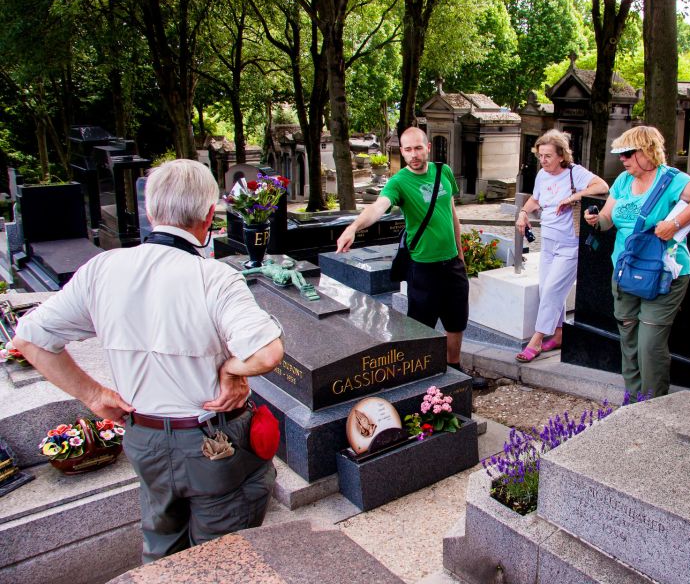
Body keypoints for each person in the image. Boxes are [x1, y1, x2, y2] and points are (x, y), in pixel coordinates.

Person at [12, 159, 284, 562]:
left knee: (161, 550)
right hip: (212, 442)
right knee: (222, 560)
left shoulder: (101, 270)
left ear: (151, 213)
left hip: (145, 439)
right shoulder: (213, 278)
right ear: (210, 216)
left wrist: (93, 394)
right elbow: (266, 353)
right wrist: (230, 367)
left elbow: (30, 340)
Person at [584, 126, 690, 399]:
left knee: (649, 345)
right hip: (625, 270)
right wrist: (596, 220)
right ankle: (633, 402)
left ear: (647, 151)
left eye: (628, 153)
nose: (622, 159)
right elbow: (608, 220)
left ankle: (652, 406)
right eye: (620, 154)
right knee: (629, 340)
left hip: (663, 272)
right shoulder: (623, 180)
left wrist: (675, 223)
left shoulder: (670, 180)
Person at [337, 127, 468, 371]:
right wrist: (354, 227)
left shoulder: (444, 171)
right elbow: (378, 207)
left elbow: (452, 215)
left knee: (456, 320)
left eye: (418, 148)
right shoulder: (398, 182)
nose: (414, 154)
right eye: (408, 150)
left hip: (452, 264)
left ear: (427, 147)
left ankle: (455, 368)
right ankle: (424, 372)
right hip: (422, 268)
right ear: (402, 152)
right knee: (421, 325)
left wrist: (460, 255)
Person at [514, 130, 608, 362]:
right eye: (540, 156)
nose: (543, 160)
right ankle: (558, 333)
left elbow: (602, 186)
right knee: (546, 289)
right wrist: (524, 212)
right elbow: (536, 199)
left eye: (548, 156)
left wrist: (573, 198)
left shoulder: (575, 173)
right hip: (548, 242)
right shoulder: (542, 176)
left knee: (552, 292)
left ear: (561, 155)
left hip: (570, 244)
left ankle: (536, 340)